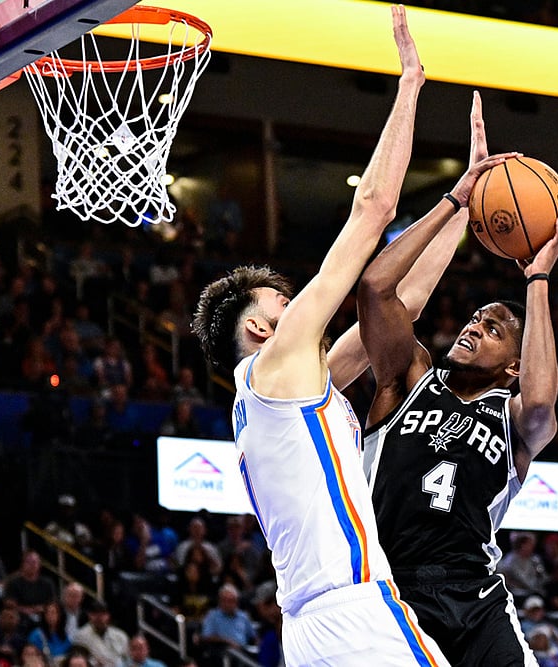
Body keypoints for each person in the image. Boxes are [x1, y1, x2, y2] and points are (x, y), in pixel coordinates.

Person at [190, 7, 516, 665]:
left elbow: (403, 300)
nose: (303, 306)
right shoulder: (279, 362)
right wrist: (410, 87)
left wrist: (467, 204)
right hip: (353, 610)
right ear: (260, 325)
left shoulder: (284, 393)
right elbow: (372, 213)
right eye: (285, 301)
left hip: (312, 629)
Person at [356, 85, 558, 664]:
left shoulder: (513, 416)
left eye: (498, 327)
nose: (479, 320)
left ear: (511, 365)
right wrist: (455, 200)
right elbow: (376, 287)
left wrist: (537, 280)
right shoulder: (406, 377)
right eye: (479, 315)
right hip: (393, 589)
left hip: (476, 596)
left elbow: (542, 405)